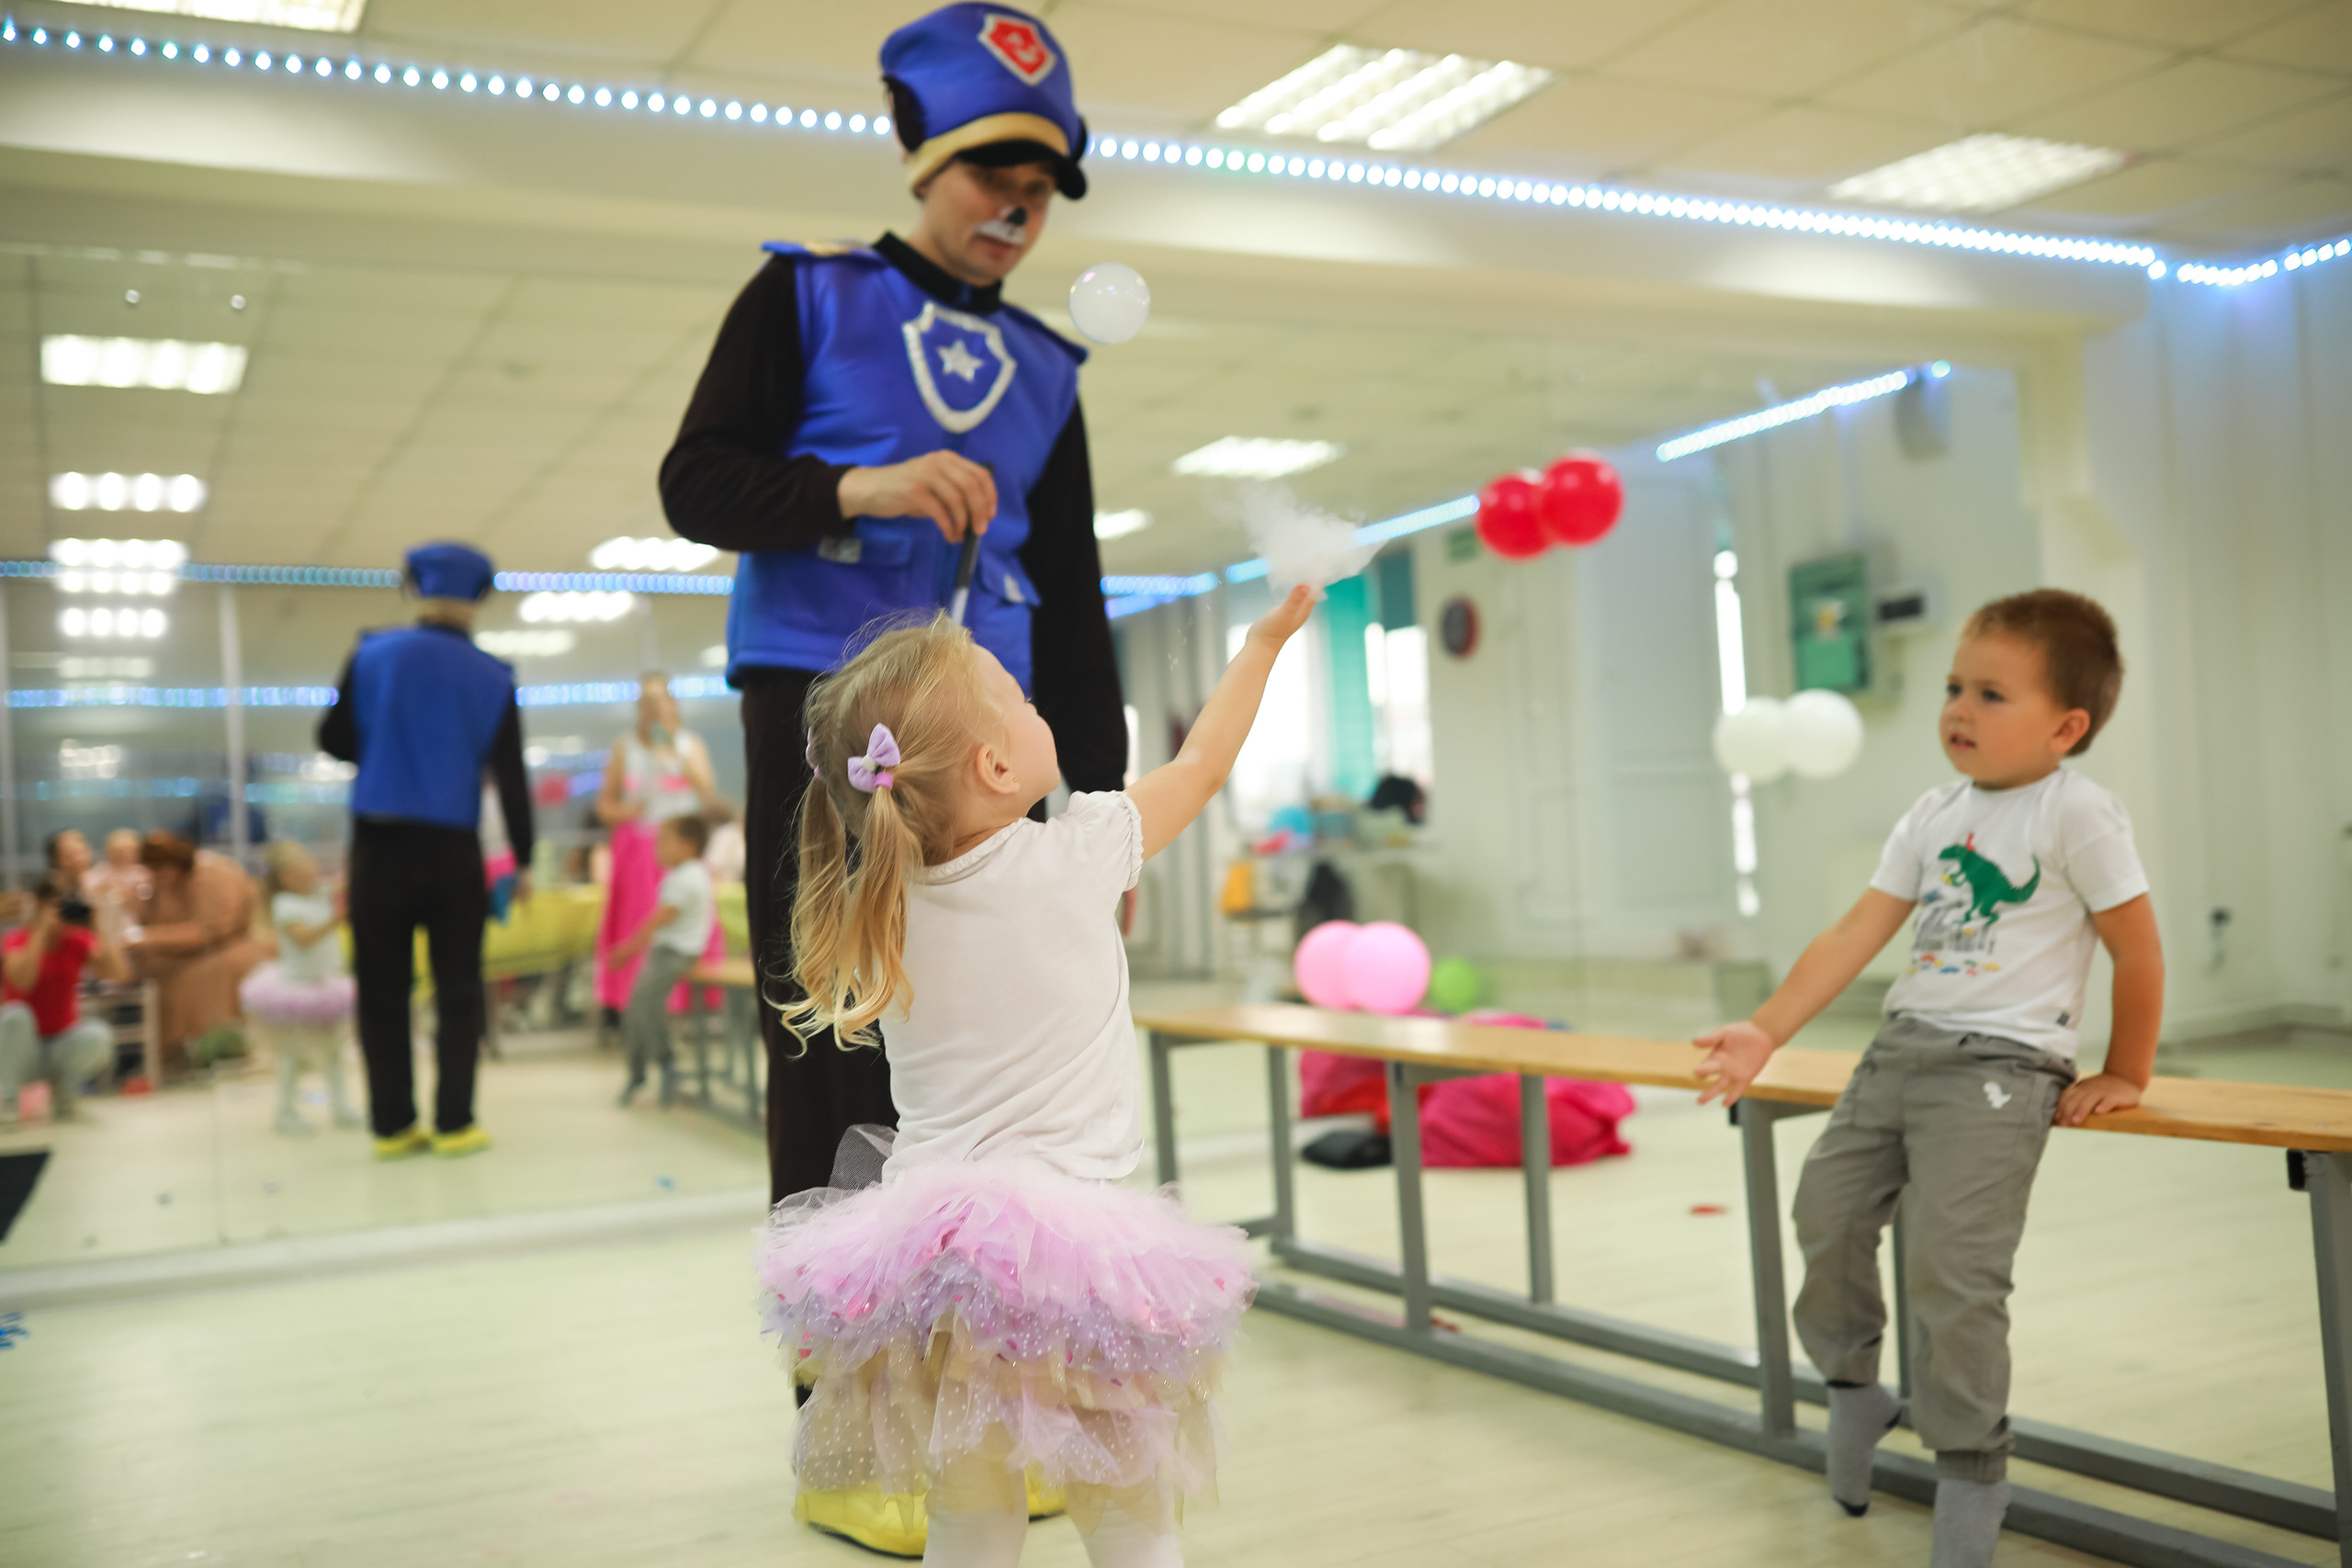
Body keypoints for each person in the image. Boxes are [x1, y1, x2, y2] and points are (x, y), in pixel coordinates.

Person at [660, 2, 1125, 1212]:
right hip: (830, 729)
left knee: (999, 1030)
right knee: (831, 1024)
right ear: (927, 160)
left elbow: (1074, 600)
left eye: (1041, 185)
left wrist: (1109, 816)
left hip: (992, 750)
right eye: (990, 171)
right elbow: (695, 481)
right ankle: (842, 1368)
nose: (1016, 207)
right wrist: (856, 488)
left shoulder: (1049, 372)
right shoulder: (804, 296)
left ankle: (980, 1350)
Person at [758, 583, 1314, 1568]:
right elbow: (1201, 762)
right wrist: (1264, 641)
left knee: (972, 1524)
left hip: (933, 1262)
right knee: (1130, 1517)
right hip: (1076, 1263)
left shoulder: (882, 902)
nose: (1032, 700)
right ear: (997, 763)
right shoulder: (1080, 853)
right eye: (1016, 692)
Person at [1692, 590, 2165, 1568]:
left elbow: (2138, 948)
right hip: (1900, 1046)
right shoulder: (1933, 812)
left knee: (1951, 1274)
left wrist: (2126, 1069)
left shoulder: (2077, 813)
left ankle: (1971, 1470)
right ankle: (1858, 1392)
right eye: (1954, 687)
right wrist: (1763, 1030)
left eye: (1991, 694)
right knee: (1822, 1215)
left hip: (2000, 1067)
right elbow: (1855, 932)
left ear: (2064, 726)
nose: (1958, 708)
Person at [318, 542, 536, 1162]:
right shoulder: (495, 676)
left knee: (382, 987)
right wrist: (520, 858)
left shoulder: (370, 652)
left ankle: (392, 1125)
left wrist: (388, 740)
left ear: (412, 588)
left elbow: (331, 737)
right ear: (480, 598)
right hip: (453, 850)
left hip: (378, 844)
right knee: (459, 987)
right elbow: (511, 777)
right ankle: (454, 1122)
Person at [592, 673, 722, 1028]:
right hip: (640, 851)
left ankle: (687, 1003)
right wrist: (624, 812)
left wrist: (674, 753)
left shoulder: (688, 745)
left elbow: (707, 794)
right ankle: (637, 1005)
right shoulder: (625, 747)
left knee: (683, 919)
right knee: (642, 922)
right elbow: (605, 805)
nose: (653, 708)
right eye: (646, 701)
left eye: (659, 700)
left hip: (681, 847)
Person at [238, 841, 360, 1134]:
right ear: (286, 876)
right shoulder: (285, 905)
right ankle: (285, 1110)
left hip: (325, 986)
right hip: (296, 992)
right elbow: (303, 938)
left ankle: (341, 1106)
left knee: (332, 1052)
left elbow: (344, 884)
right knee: (291, 1055)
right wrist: (336, 920)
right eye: (303, 867)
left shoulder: (319, 893)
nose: (312, 870)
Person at [130, 832, 271, 1066]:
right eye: (152, 870)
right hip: (184, 956)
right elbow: (149, 921)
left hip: (231, 950)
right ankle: (164, 1054)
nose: (157, 876)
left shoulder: (213, 875)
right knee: (148, 972)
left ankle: (210, 1048)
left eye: (161, 868)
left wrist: (150, 938)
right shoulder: (158, 885)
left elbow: (212, 930)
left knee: (195, 978)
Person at [608, 814, 717, 1108]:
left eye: (665, 842)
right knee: (636, 1009)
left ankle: (666, 1064)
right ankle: (638, 1071)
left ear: (689, 846)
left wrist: (627, 949)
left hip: (677, 953)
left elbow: (657, 921)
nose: (658, 848)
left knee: (645, 1009)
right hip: (665, 950)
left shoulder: (689, 877)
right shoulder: (679, 874)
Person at [0, 876, 129, 1122]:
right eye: (54, 906)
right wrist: (40, 932)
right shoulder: (15, 939)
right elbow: (23, 981)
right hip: (23, 1051)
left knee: (98, 1035)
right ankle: (8, 1101)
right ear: (39, 905)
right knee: (15, 1014)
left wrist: (96, 926)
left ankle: (65, 1095)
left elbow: (118, 974)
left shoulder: (75, 941)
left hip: (60, 1044)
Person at [82, 828, 151, 944]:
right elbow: (87, 891)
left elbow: (146, 900)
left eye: (127, 850)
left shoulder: (144, 874)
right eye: (117, 850)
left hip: (135, 924)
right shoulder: (98, 873)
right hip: (104, 924)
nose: (122, 854)